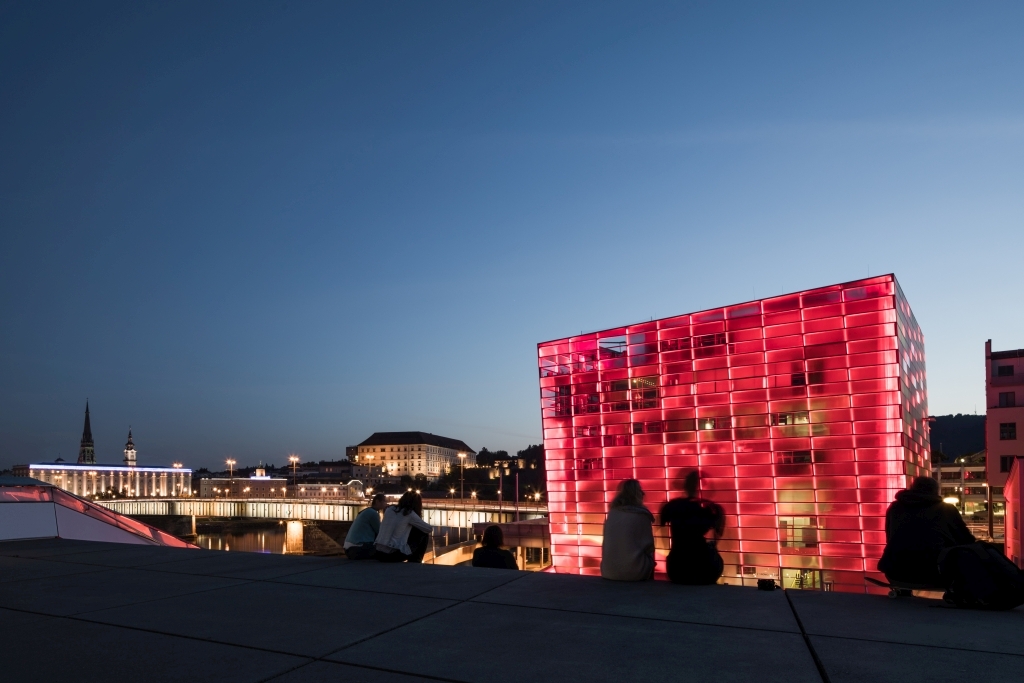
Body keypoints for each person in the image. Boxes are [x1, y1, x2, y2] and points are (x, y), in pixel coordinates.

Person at [878, 476, 975, 587]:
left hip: (895, 572)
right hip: (935, 573)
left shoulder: (895, 507)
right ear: (936, 491)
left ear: (912, 488)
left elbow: (890, 536)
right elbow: (966, 540)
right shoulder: (946, 509)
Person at [659, 471, 725, 585]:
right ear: (700, 487)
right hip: (703, 570)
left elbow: (661, 525)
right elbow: (718, 533)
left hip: (677, 569)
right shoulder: (710, 509)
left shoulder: (671, 506)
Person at [600, 479, 655, 581]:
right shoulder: (641, 515)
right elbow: (649, 546)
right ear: (635, 494)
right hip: (633, 573)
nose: (643, 493)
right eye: (640, 490)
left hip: (609, 572)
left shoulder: (612, 513)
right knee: (650, 556)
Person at [375, 491, 433, 563]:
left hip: (378, 553)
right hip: (392, 555)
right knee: (423, 533)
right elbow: (429, 529)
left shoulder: (389, 509)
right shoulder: (409, 513)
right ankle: (416, 561)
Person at [343, 493, 387, 559]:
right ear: (377, 501)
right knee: (382, 551)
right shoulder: (373, 513)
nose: (386, 504)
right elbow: (380, 532)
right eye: (384, 501)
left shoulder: (367, 511)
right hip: (357, 548)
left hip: (349, 549)